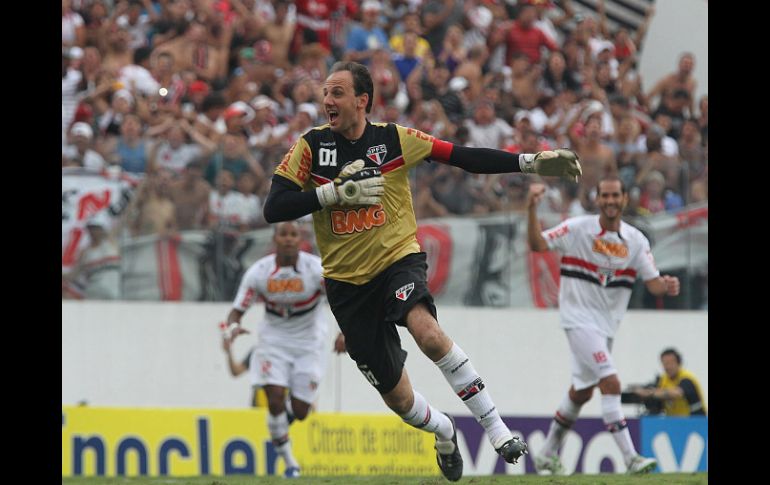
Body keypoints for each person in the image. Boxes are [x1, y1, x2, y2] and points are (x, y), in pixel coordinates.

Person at [259, 61, 582, 481]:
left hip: (397, 261)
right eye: (325, 92)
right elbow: (274, 208)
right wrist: (331, 193)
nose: (327, 101)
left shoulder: (394, 140)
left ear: (362, 101)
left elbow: (462, 157)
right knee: (400, 401)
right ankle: (445, 432)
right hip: (346, 286)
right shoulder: (311, 147)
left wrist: (529, 162)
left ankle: (496, 429)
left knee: (427, 332)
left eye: (337, 93)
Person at [526, 178, 680, 475]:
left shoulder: (636, 240)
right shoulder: (577, 228)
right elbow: (537, 244)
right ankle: (631, 458)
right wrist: (531, 208)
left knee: (581, 393)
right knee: (611, 382)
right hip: (577, 319)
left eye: (615, 195)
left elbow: (654, 284)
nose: (610, 201)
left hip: (607, 327)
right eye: (605, 195)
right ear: (597, 199)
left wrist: (666, 284)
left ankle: (545, 453)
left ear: (624, 199)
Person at [223, 221, 330, 478]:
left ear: (300, 238)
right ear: (275, 239)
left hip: (309, 342)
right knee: (274, 398)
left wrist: (348, 332)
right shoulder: (259, 273)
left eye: (294, 234)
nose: (289, 239)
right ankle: (290, 464)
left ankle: (279, 428)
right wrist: (234, 327)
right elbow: (237, 310)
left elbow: (342, 300)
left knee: (302, 411)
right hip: (274, 341)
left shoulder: (316, 269)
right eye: (284, 234)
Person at [630, 348, 706, 417]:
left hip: (696, 423)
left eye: (671, 363)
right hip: (673, 422)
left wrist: (650, 393)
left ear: (679, 363)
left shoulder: (687, 378)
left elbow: (677, 393)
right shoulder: (663, 380)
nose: (668, 367)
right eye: (665, 363)